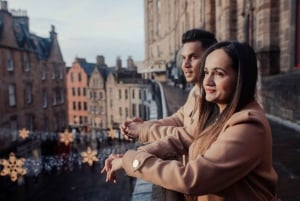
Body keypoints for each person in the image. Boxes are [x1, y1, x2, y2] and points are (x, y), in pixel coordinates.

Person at [102, 41, 279, 201]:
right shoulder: (215, 111)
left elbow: (193, 179)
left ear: (240, 78)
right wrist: (137, 152)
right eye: (206, 72)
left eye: (219, 73)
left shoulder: (249, 126)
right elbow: (183, 139)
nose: (207, 81)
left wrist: (133, 161)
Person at [121, 29, 217, 144]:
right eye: (183, 58)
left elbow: (189, 136)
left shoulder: (215, 95)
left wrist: (143, 131)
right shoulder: (196, 91)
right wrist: (144, 125)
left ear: (210, 58)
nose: (185, 65)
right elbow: (179, 119)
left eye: (192, 57)